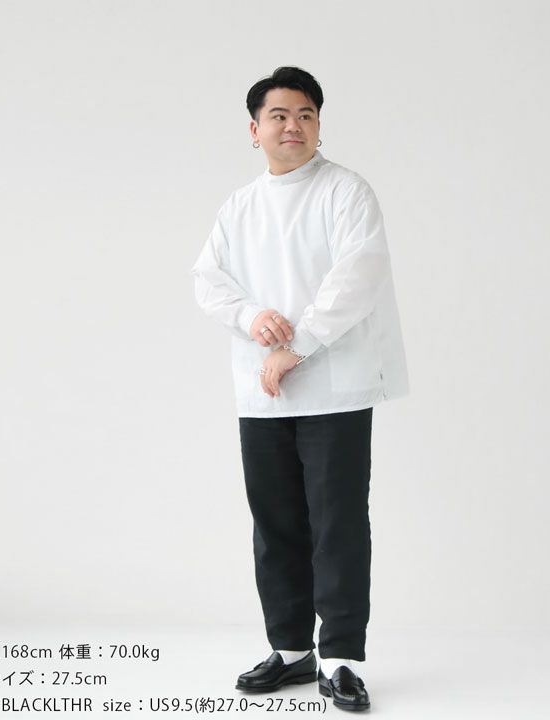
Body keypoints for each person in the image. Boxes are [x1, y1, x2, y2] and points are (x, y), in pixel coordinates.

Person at [190, 66, 408, 712]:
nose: (294, 126)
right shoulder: (239, 207)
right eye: (280, 115)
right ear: (254, 129)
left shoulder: (345, 192)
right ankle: (289, 649)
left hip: (334, 388)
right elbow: (208, 279)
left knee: (337, 524)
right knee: (276, 522)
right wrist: (251, 317)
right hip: (262, 393)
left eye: (306, 114)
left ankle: (340, 658)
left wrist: (298, 345)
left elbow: (356, 278)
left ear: (319, 125)